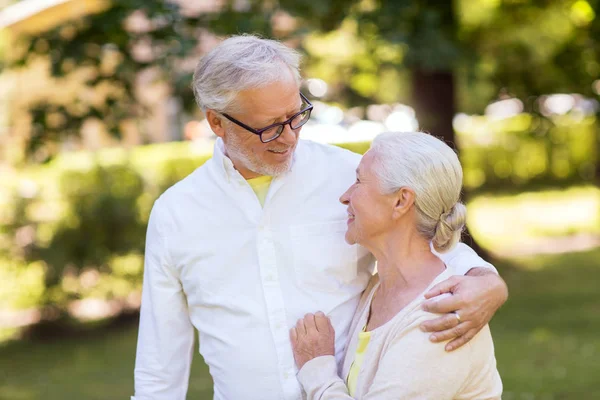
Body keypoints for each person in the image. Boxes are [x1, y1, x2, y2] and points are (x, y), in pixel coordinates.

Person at [132, 35, 508, 400]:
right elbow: (159, 365)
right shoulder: (175, 214)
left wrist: (486, 281)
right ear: (217, 123)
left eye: (296, 116)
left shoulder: (350, 176)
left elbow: (422, 244)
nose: (289, 137)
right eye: (269, 127)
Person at [290, 132, 503, 399]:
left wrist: (317, 370)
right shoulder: (377, 289)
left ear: (401, 201)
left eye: (358, 181)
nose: (345, 196)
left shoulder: (439, 318)